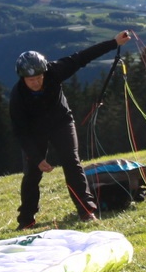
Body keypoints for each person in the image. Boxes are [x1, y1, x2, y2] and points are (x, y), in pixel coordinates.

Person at [10, 30, 135, 230]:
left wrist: (114, 43)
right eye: (31, 79)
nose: (36, 82)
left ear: (44, 72)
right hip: (34, 131)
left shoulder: (55, 71)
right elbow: (20, 132)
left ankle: (86, 211)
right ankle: (26, 220)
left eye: (39, 77)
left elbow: (82, 57)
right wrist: (37, 158)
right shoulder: (17, 96)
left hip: (61, 122)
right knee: (32, 174)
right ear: (22, 78)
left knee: (72, 162)